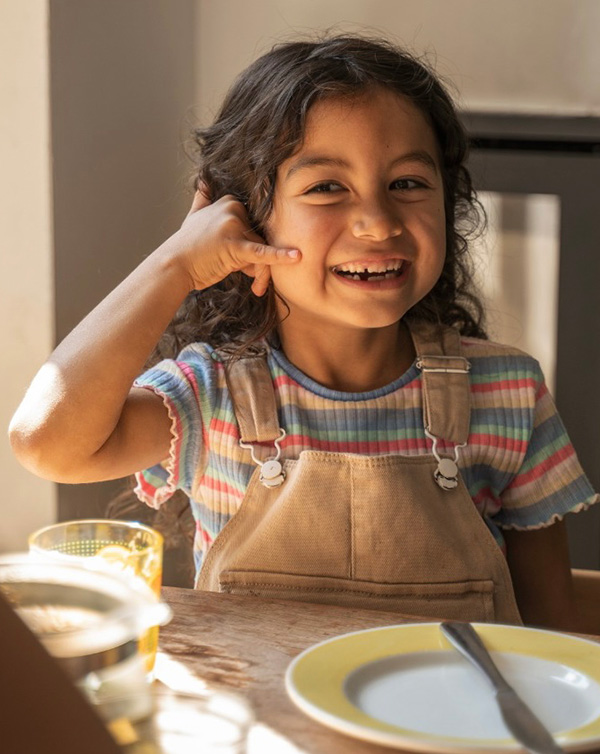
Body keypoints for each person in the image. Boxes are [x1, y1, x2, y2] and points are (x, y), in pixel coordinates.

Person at [9, 35, 598, 631]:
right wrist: (175, 265)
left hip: (452, 726)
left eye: (408, 183)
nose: (377, 222)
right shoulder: (209, 397)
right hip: (260, 724)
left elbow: (551, 638)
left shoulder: (509, 392)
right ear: (241, 221)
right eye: (326, 188)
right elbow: (44, 442)